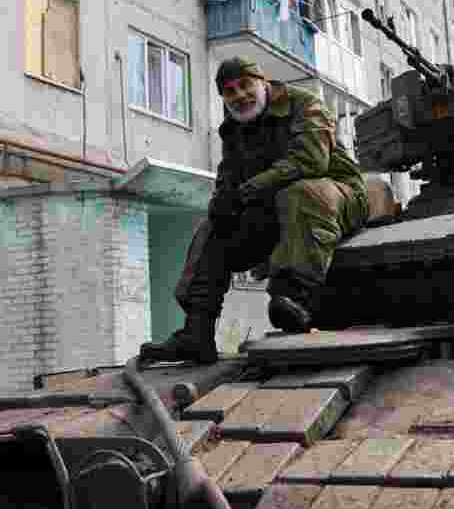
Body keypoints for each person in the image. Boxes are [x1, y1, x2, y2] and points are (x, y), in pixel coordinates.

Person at [139, 57, 369, 365]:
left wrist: (246, 192)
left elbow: (311, 161)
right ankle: (196, 333)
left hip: (338, 197)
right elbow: (229, 174)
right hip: (278, 208)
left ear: (263, 82)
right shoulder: (234, 128)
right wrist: (222, 201)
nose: (239, 96)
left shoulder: (304, 104)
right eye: (229, 91)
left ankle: (294, 297)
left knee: (299, 192)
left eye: (245, 85)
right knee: (214, 227)